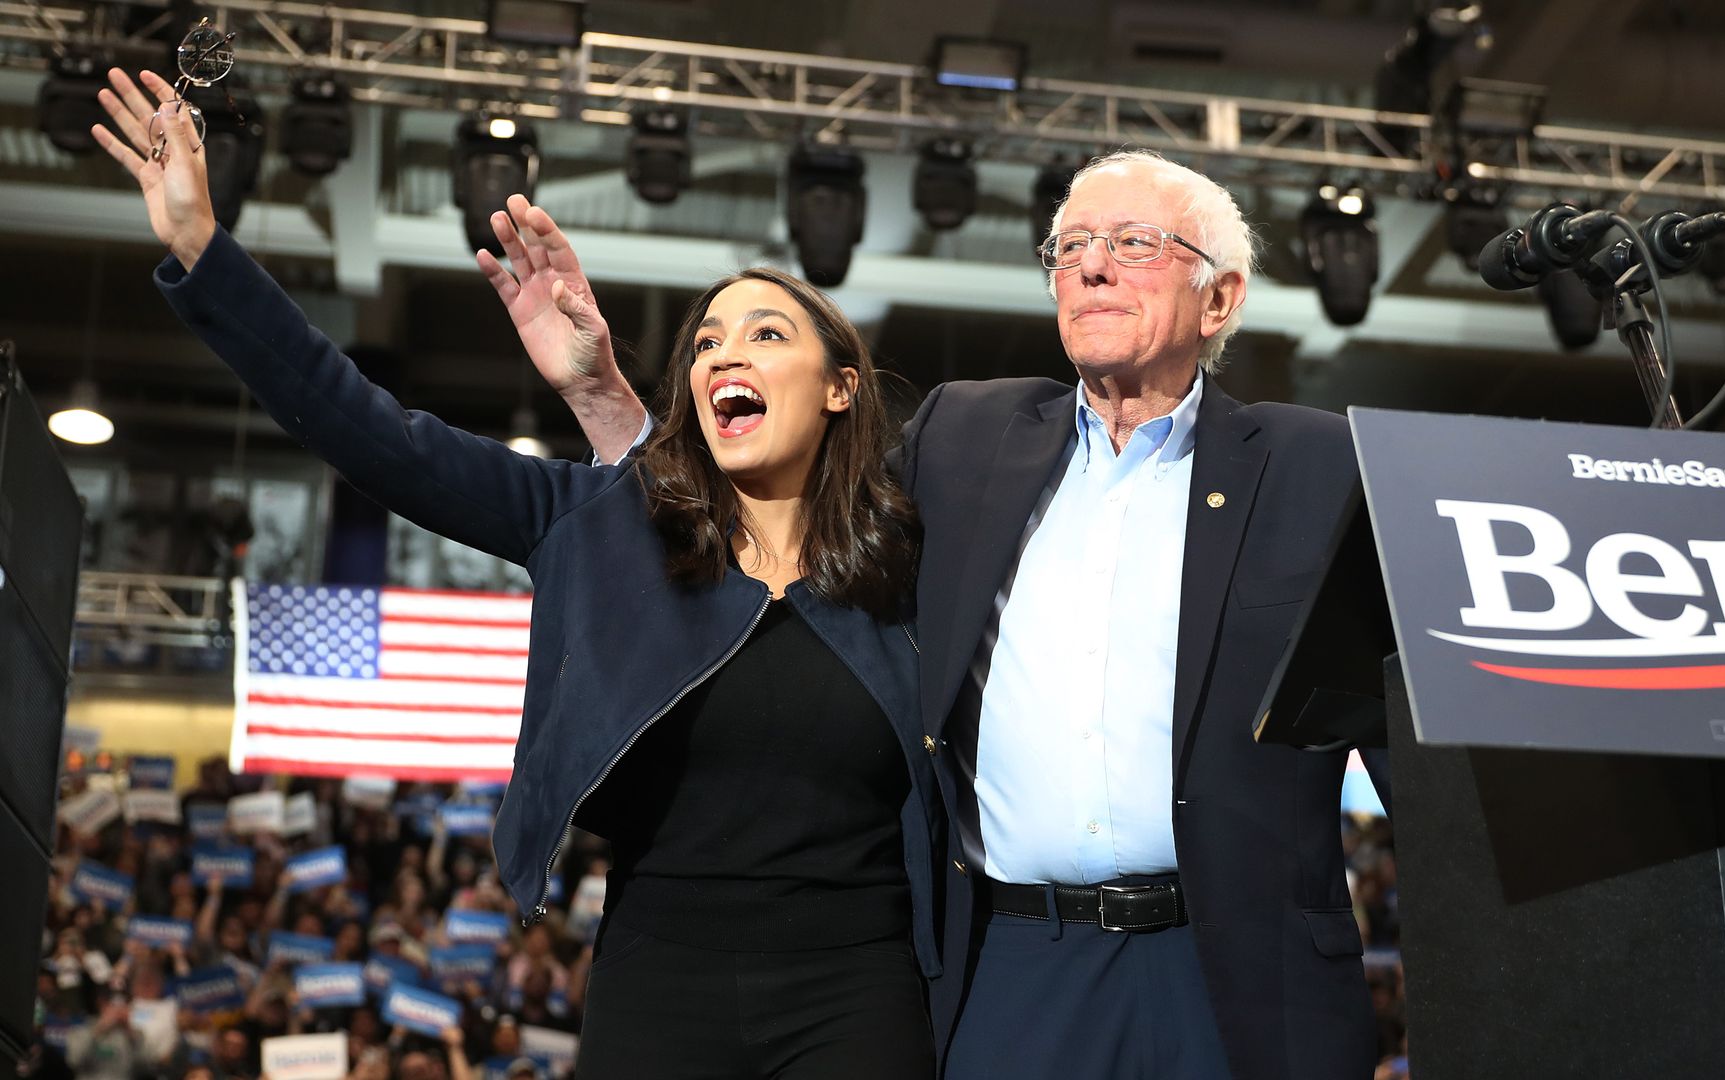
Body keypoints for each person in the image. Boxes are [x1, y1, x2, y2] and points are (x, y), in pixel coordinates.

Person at [92, 66, 940, 1079]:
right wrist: (203, 251)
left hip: (860, 991)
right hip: (658, 986)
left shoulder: (911, 553)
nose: (723, 356)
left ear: (842, 387)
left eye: (766, 334)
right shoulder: (602, 526)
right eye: (705, 340)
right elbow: (371, 432)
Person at [533, 149, 1388, 1078]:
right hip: (1020, 966)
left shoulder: (1321, 467)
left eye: (1134, 242)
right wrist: (602, 399)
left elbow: (1416, 739)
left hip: (1240, 974)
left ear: (1219, 299)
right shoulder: (961, 437)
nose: (1092, 265)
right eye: (1071, 247)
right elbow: (780, 514)